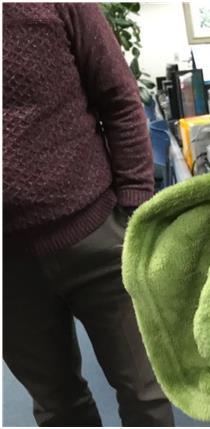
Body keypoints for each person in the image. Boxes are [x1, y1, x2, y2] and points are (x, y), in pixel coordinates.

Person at [3, 3, 174, 426]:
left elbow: (119, 98)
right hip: (8, 267)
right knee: (57, 407)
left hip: (95, 233)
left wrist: (133, 204)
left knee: (144, 390)